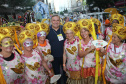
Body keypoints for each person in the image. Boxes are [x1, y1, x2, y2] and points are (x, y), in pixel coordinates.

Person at [77, 19, 103, 84]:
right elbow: (80, 55)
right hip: (85, 67)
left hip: (95, 67)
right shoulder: (79, 42)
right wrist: (90, 49)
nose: (83, 33)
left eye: (85, 31)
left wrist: (102, 50)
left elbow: (102, 54)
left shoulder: (95, 41)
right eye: (82, 32)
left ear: (89, 32)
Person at [46, 15, 66, 84]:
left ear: (60, 21)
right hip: (53, 56)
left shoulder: (63, 29)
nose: (56, 22)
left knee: (65, 72)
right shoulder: (47, 30)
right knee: (57, 73)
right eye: (54, 20)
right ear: (51, 21)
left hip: (64, 55)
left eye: (57, 20)